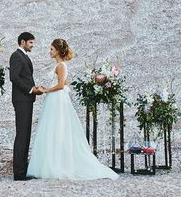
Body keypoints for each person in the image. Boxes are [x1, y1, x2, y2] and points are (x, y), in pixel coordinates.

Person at [26, 39, 119, 180]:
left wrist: (45, 90)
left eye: (51, 49)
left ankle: (56, 165)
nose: (49, 52)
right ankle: (51, 163)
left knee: (57, 128)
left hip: (56, 99)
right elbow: (64, 83)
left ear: (57, 50)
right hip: (54, 99)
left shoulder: (61, 65)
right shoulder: (59, 65)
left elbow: (61, 85)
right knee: (52, 129)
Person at [9, 32, 42, 181]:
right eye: (30, 43)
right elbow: (14, 77)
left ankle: (23, 168)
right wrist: (30, 89)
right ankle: (19, 172)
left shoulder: (25, 57)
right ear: (23, 42)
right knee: (22, 134)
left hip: (27, 99)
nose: (32, 46)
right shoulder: (16, 56)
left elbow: (25, 77)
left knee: (26, 134)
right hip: (21, 99)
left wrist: (34, 89)